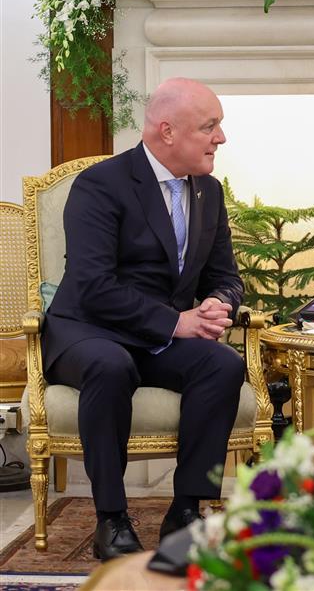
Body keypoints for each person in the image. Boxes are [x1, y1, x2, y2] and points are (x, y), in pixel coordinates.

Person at [42, 78, 245, 561]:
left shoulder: (208, 193)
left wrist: (218, 303)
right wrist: (177, 323)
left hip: (155, 334)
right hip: (87, 330)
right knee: (111, 366)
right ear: (167, 131)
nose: (221, 138)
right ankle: (111, 518)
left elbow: (226, 277)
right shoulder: (101, 185)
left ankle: (186, 511)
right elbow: (92, 285)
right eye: (210, 126)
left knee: (222, 365)